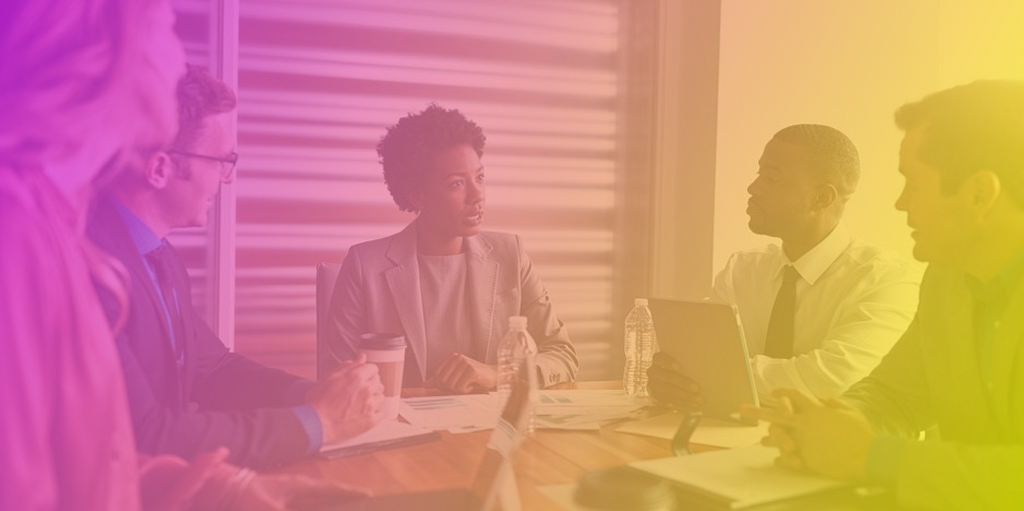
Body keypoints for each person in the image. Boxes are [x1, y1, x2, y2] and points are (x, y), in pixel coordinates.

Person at [0, 0, 364, 509]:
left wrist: (228, 486)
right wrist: (317, 422)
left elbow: (102, 458)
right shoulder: (21, 233)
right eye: (163, 23)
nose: (178, 55)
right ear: (101, 43)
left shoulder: (60, 224)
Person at [745, 80, 1024, 511]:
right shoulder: (946, 280)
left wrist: (869, 455)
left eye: (913, 184)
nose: (899, 203)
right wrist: (828, 426)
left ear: (978, 194)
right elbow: (897, 395)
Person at [90, 65, 384, 469]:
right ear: (160, 169)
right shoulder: (92, 268)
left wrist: (311, 395)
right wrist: (320, 423)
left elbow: (214, 371)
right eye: (220, 160)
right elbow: (147, 435)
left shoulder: (161, 260)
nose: (227, 179)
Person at [649, 124, 922, 408]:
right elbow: (699, 359)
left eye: (772, 177)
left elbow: (835, 378)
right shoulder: (743, 269)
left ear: (821, 198)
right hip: (729, 440)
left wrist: (723, 377)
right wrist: (674, 381)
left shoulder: (888, 280)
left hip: (829, 449)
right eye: (759, 173)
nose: (753, 188)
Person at [327, 104, 579, 394]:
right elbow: (336, 383)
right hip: (407, 432)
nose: (478, 195)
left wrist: (498, 374)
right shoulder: (364, 266)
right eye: (457, 183)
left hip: (489, 432)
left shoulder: (511, 254)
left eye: (480, 177)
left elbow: (563, 355)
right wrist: (421, 395)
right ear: (418, 195)